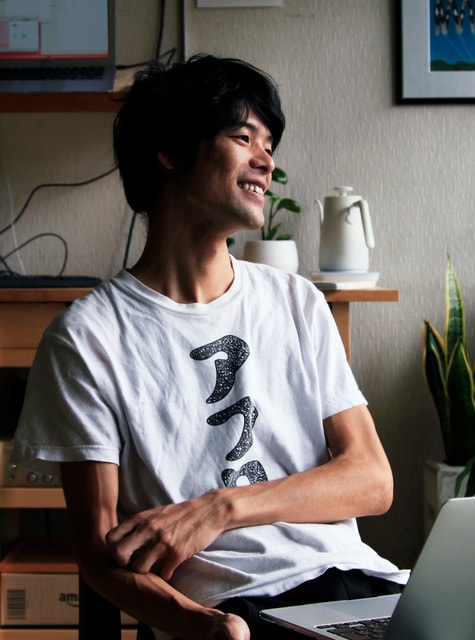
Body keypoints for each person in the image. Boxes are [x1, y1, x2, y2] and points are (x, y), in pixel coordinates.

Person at [10, 54, 409, 640]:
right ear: (169, 151)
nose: (266, 161)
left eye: (269, 145)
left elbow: (372, 480)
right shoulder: (88, 338)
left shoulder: (297, 302)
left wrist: (222, 507)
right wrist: (204, 625)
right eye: (243, 138)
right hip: (237, 610)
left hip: (362, 587)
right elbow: (98, 555)